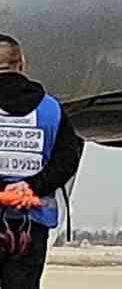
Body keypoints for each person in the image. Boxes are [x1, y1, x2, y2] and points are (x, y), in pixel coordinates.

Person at [0, 34, 84, 289]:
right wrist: (30, 186)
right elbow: (67, 160)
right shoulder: (51, 109)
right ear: (21, 63)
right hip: (31, 224)